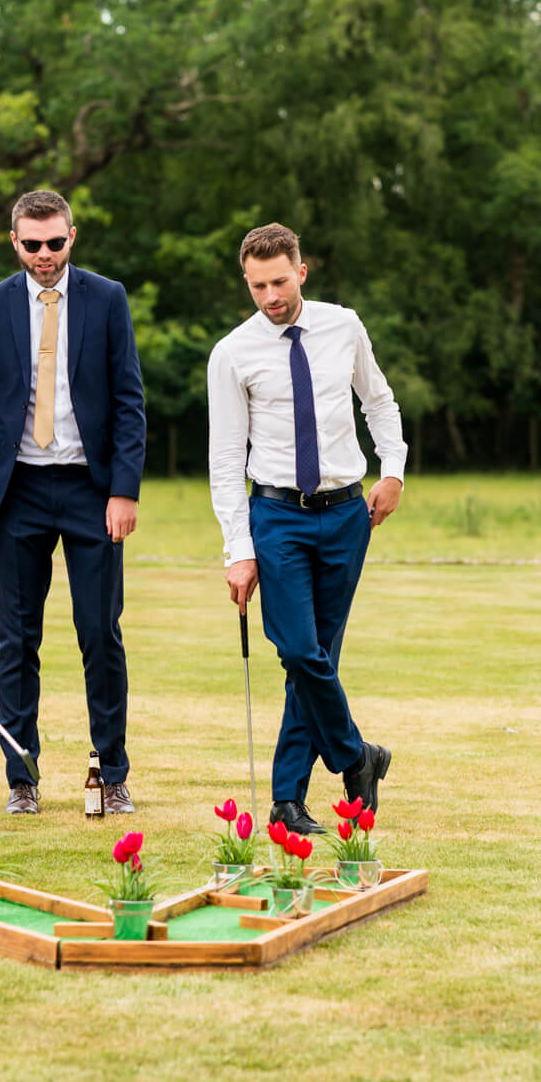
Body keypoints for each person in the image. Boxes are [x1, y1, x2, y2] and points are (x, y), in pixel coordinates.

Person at [206, 223, 406, 835]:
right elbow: (223, 459)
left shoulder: (344, 325)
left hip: (348, 513)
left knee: (318, 658)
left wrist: (392, 469)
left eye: (280, 281)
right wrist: (238, 549)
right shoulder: (232, 352)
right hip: (277, 516)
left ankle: (287, 800)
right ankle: (356, 756)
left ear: (302, 271)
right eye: (258, 285)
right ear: (247, 281)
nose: (270, 295)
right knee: (297, 649)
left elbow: (378, 400)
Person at [0, 190, 146, 815]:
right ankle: (22, 778)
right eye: (32, 244)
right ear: (15, 241)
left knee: (100, 633)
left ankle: (110, 773)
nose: (44, 254)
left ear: (72, 236)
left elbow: (127, 401)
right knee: (17, 641)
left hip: (92, 489)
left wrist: (123, 489)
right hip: (18, 492)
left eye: (55, 243)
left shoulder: (108, 297)